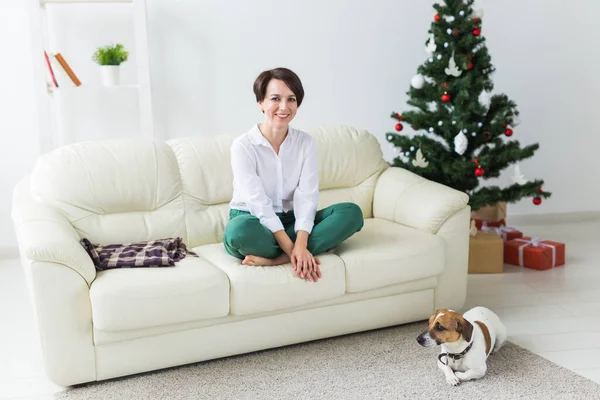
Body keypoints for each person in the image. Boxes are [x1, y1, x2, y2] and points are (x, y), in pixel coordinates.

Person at [223, 67, 364, 283]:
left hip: (293, 220)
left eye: (291, 99)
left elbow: (307, 195)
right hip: (253, 221)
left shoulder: (305, 142)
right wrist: (294, 249)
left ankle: (275, 260)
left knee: (350, 213)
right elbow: (258, 203)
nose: (284, 107)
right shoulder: (243, 146)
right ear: (261, 102)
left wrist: (301, 242)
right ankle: (293, 255)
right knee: (238, 231)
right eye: (275, 99)